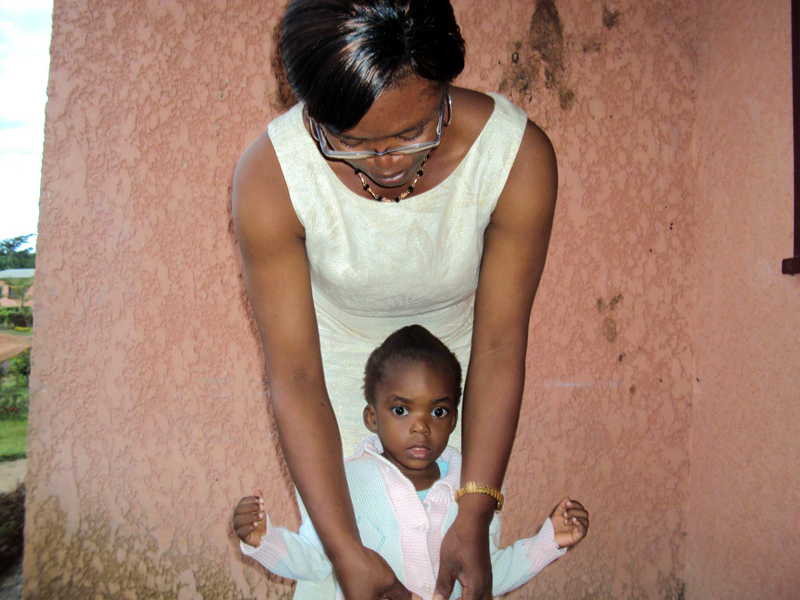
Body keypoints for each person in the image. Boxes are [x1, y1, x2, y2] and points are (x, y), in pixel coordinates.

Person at [232, 0, 559, 597]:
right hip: (330, 388)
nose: (385, 163)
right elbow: (295, 373)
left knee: (450, 563)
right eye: (348, 141)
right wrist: (343, 550)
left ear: (444, 86)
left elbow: (500, 343)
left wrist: (476, 508)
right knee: (344, 574)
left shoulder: (516, 159)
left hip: (455, 387)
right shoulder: (271, 175)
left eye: (412, 132)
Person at [233, 326, 589, 600]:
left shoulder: (474, 489)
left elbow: (486, 571)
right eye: (401, 410)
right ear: (372, 418)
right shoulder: (345, 482)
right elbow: (315, 559)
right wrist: (263, 539)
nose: (421, 426)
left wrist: (547, 542)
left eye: (438, 411)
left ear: (453, 420)